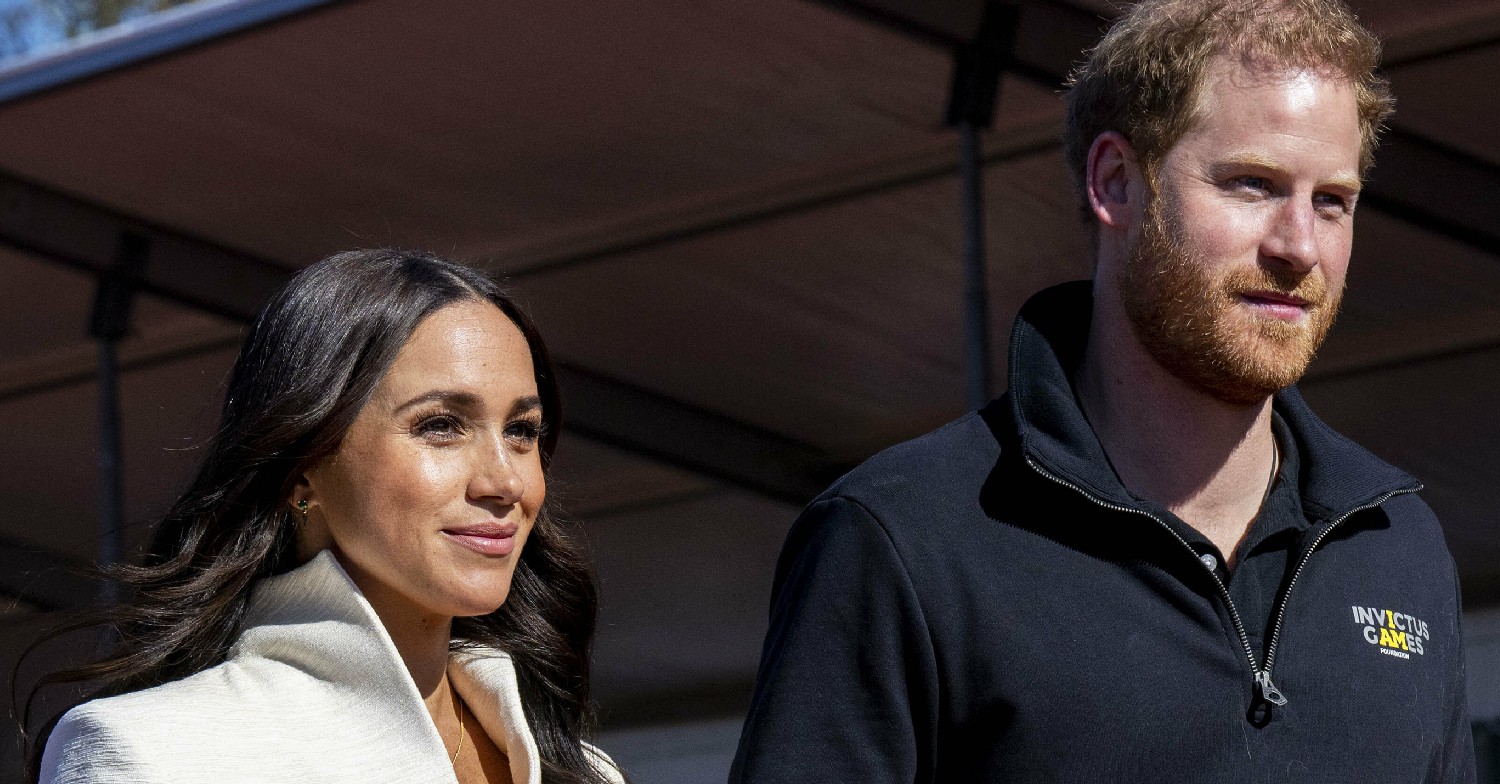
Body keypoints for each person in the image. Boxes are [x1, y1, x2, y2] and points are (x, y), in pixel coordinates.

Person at [730, 1, 1476, 782]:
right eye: (1252, 185)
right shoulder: (902, 540)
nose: (1299, 246)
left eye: (1332, 201)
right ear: (1117, 183)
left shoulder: (1400, 550)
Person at [26, 250, 624, 784]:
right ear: (302, 467)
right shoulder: (155, 753)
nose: (507, 482)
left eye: (522, 431)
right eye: (440, 425)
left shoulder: (583, 772)